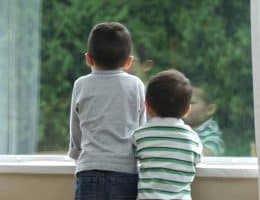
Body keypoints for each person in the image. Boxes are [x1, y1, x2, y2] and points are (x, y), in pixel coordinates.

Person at [68, 22, 146, 200]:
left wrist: (77, 153)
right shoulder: (136, 85)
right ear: (128, 62)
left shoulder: (81, 85)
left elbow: (75, 128)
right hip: (126, 172)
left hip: (89, 169)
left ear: (88, 59)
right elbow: (141, 130)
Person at [133, 69, 202, 200]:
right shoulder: (193, 139)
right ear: (187, 110)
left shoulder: (140, 135)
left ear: (147, 106)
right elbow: (196, 160)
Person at [184, 86, 224, 156]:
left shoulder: (211, 133)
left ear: (209, 109)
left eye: (191, 102)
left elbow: (207, 155)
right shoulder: (182, 127)